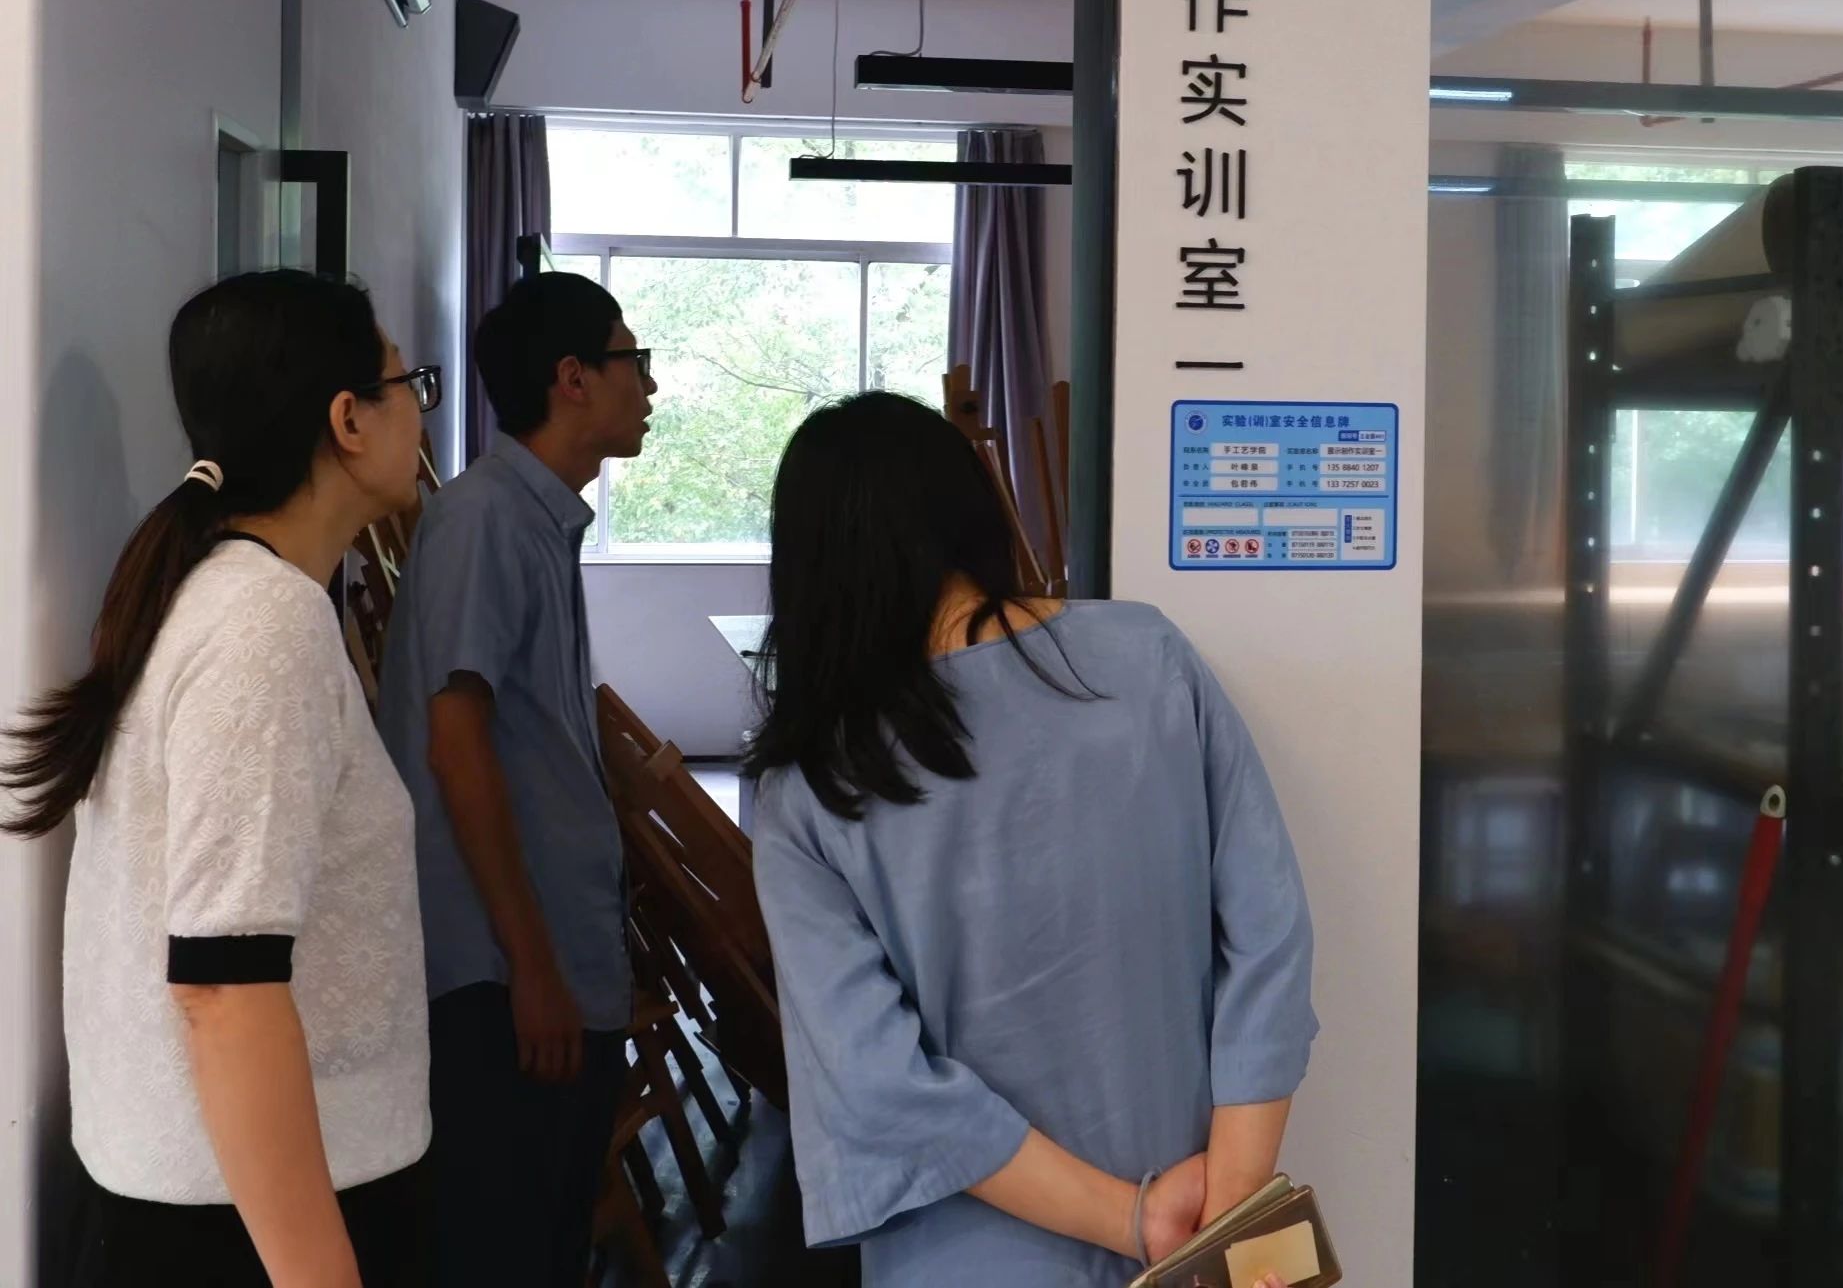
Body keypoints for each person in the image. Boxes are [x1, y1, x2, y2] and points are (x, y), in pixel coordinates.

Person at [740, 392, 1318, 1287]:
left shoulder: (808, 783)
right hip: (1206, 1219)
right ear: (971, 507)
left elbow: (876, 1079)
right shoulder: (1146, 654)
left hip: (966, 1258)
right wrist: (1226, 1216)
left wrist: (1134, 1220)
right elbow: (1268, 932)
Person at [0, 272, 438, 1288]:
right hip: (245, 1225)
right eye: (407, 382)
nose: (421, 409)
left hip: (224, 1197)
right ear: (348, 420)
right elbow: (222, 983)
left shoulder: (233, 597)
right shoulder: (261, 624)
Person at [375, 272, 656, 1288]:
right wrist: (530, 965)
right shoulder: (486, 519)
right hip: (502, 980)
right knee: (504, 1247)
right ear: (573, 377)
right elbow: (456, 748)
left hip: (545, 960)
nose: (649, 385)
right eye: (633, 361)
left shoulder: (536, 518)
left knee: (545, 1240)